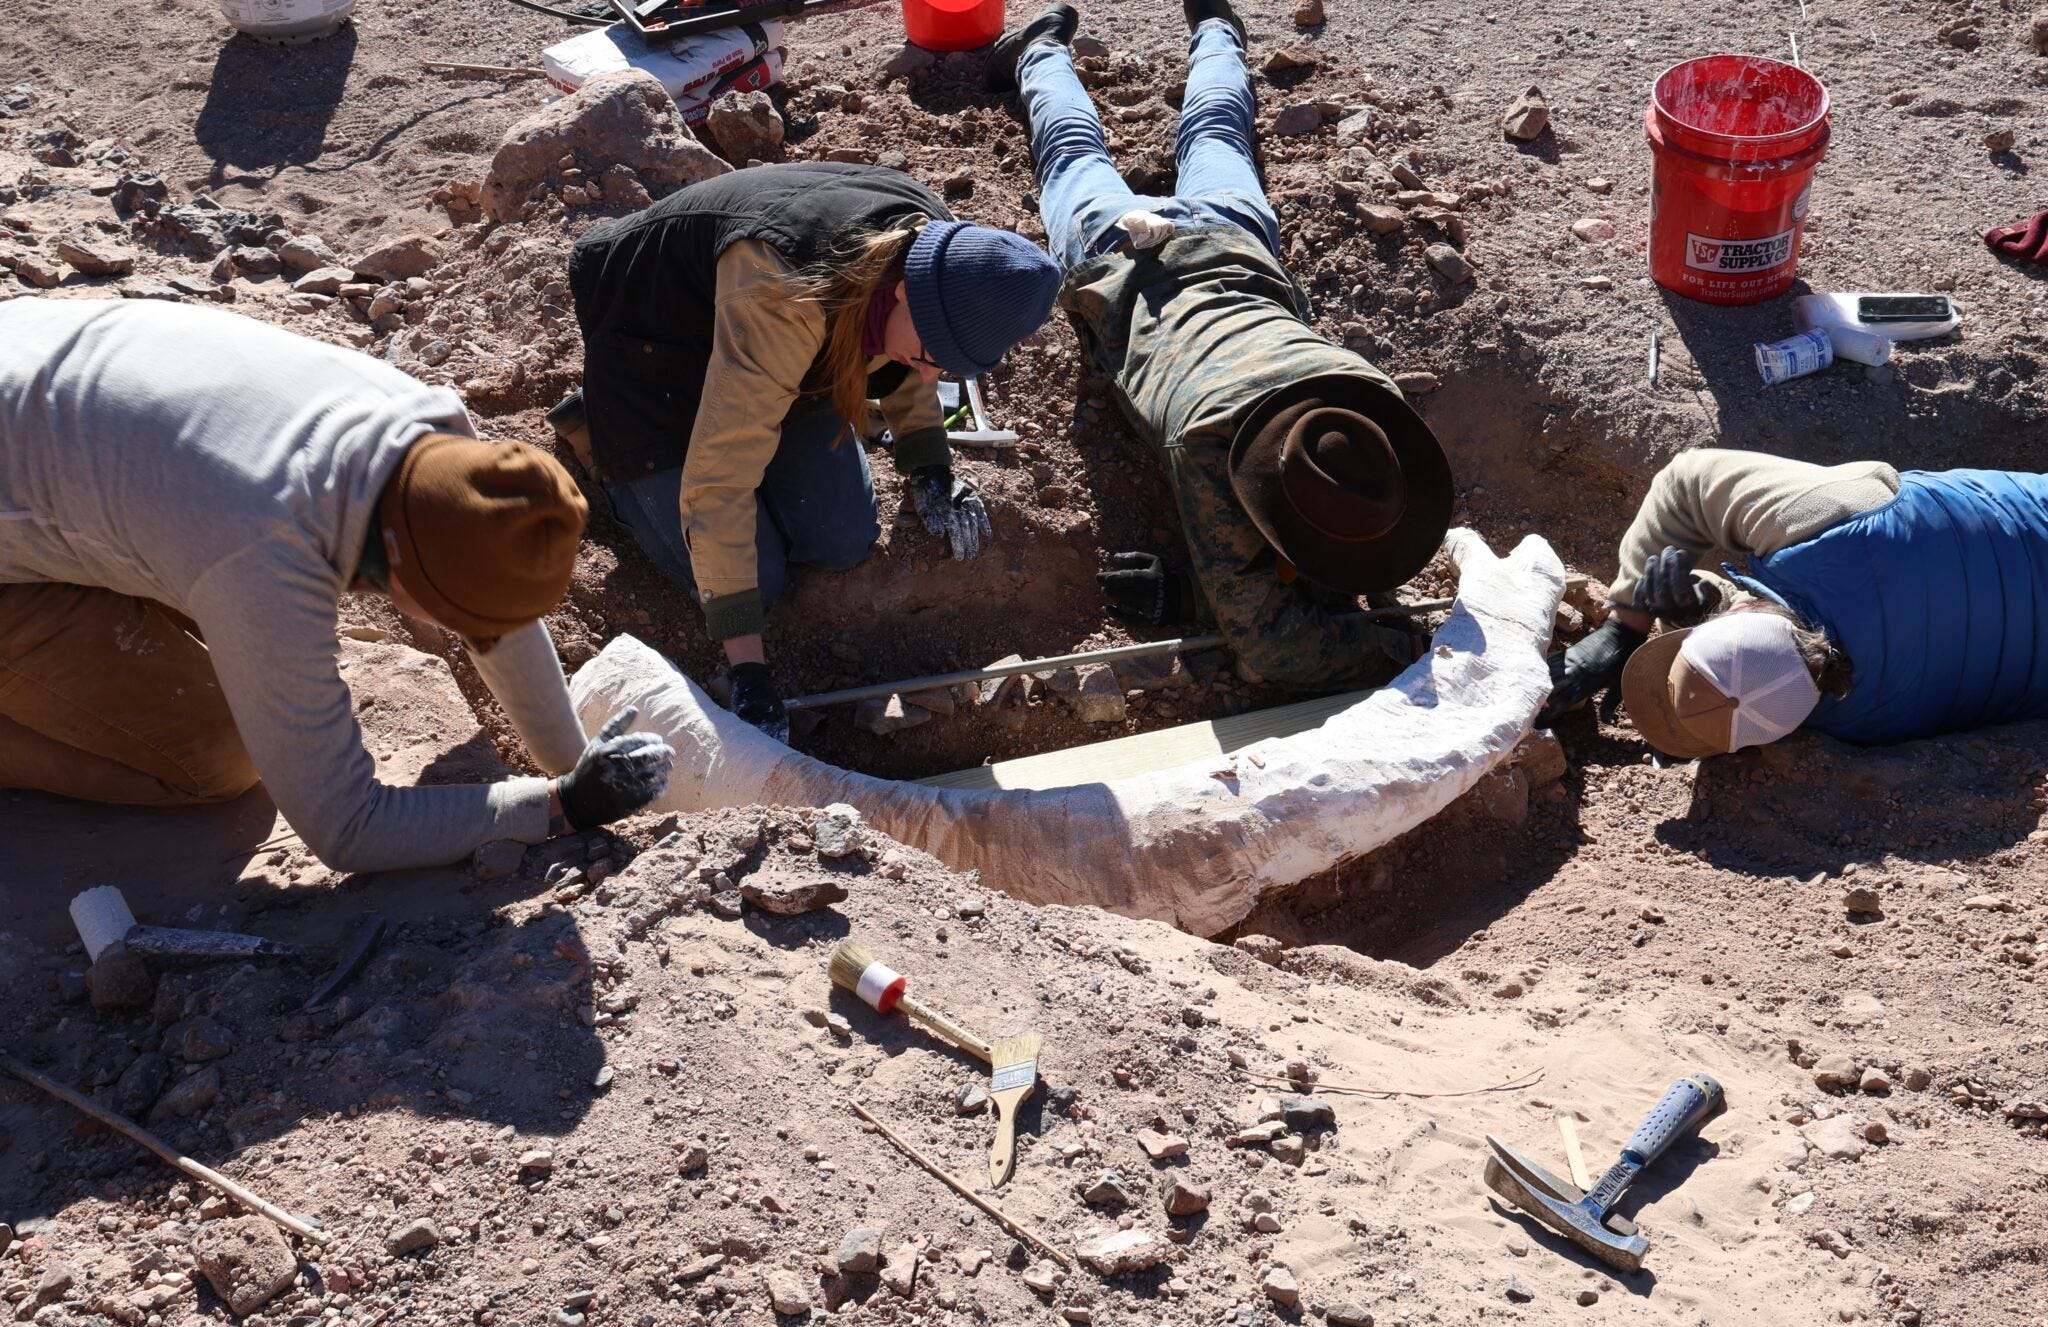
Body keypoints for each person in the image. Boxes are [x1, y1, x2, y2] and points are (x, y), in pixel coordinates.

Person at [0, 299, 673, 873]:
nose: (479, 637)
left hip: (32, 356)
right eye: (465, 622)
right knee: (214, 759)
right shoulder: (264, 545)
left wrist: (573, 759)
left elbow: (489, 583)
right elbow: (347, 826)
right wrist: (562, 805)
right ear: (402, 576)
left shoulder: (427, 426)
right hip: (63, 462)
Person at [984, 0, 1454, 692]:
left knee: (1216, 134)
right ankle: (1038, 52)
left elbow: (1268, 609)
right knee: (1071, 153)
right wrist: (1404, 648)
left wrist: (1197, 600)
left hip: (1233, 241)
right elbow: (1272, 650)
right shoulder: (1208, 445)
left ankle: (1211, 32)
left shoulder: (1368, 399)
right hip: (1123, 263)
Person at [552, 162, 1063, 741]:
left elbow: (916, 359)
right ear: (901, 289)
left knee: (841, 538)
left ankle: (754, 421)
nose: (931, 375)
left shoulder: (943, 253)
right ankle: (599, 432)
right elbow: (720, 480)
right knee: (756, 586)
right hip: (653, 352)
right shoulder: (783, 289)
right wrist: (748, 670)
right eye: (927, 354)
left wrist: (928, 463)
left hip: (782, 349)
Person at [1540, 448, 2048, 757]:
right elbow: (1688, 477)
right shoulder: (1832, 522)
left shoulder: (1868, 724)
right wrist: (1629, 623)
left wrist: (1637, 623)